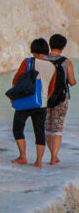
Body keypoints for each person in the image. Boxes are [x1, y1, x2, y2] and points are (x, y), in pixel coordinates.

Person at [10, 38, 57, 167]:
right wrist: (43, 98)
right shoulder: (52, 67)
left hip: (25, 101)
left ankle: (23, 157)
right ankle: (38, 162)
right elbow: (51, 88)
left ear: (33, 50)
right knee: (39, 132)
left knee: (18, 128)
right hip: (41, 103)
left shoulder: (28, 62)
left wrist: (14, 96)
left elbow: (16, 80)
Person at [46, 33, 76, 164]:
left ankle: (52, 154)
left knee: (47, 127)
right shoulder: (66, 61)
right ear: (63, 47)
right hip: (61, 98)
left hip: (44, 97)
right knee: (57, 128)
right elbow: (72, 81)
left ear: (50, 44)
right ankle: (54, 157)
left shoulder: (43, 60)